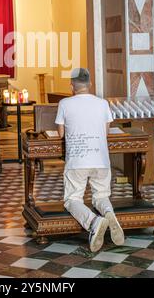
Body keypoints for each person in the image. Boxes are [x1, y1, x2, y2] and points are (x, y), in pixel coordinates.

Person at [55, 68, 125, 252]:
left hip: (77, 161)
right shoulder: (102, 104)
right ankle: (110, 215)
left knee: (72, 199)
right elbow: (106, 131)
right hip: (101, 159)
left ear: (72, 86)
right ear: (90, 84)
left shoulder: (64, 103)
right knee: (101, 195)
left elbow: (61, 133)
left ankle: (94, 222)